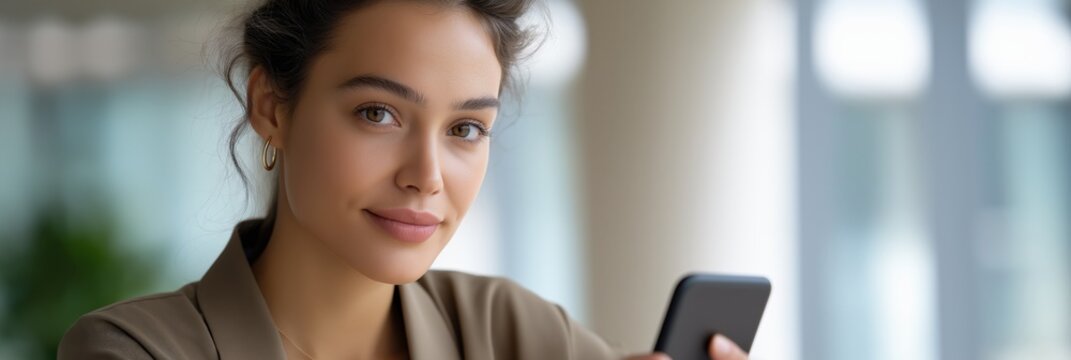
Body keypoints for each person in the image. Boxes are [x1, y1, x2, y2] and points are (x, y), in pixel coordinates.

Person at [58, 1, 749, 359]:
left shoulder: (511, 331)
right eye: (378, 113)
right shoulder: (135, 351)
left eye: (465, 129)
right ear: (271, 107)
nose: (426, 177)